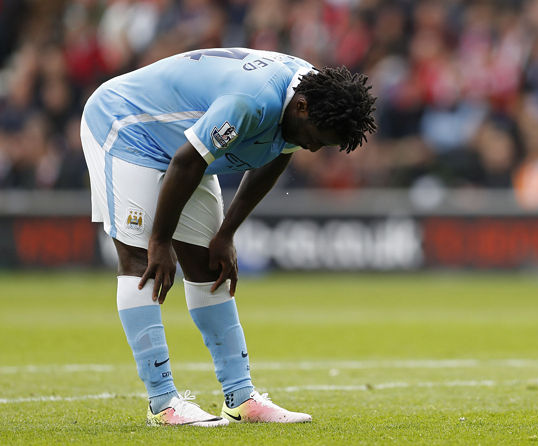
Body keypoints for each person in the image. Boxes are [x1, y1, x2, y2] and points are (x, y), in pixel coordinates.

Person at [80, 47, 376, 427]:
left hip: (183, 149)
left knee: (208, 264)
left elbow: (279, 151)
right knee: (141, 258)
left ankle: (240, 397)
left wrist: (226, 234)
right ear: (301, 107)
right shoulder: (250, 102)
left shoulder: (308, 95)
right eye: (317, 137)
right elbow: (186, 162)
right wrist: (161, 239)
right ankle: (163, 403)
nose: (314, 147)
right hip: (125, 126)